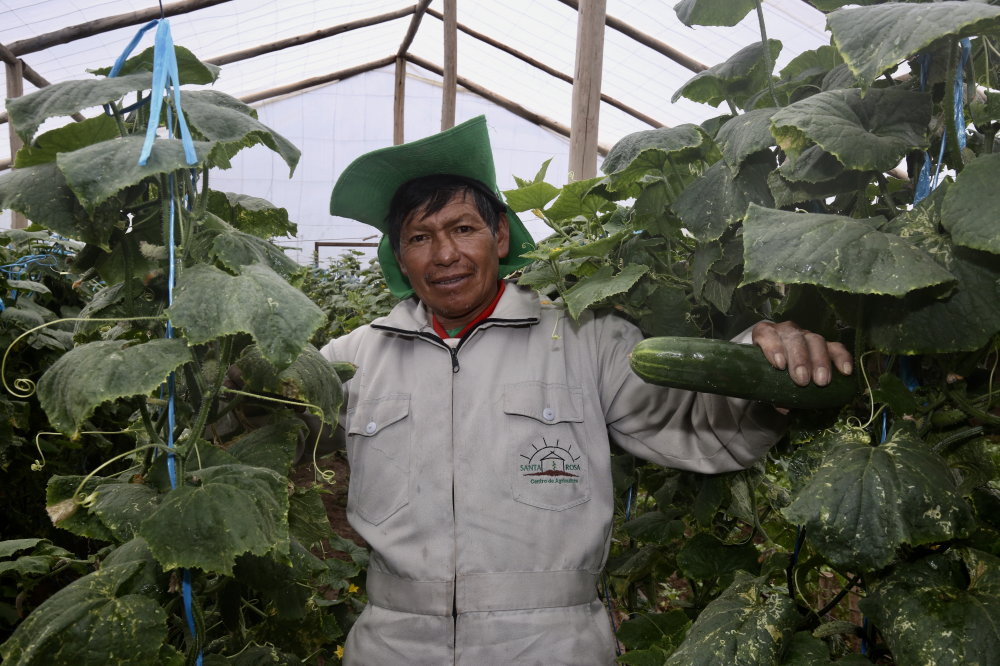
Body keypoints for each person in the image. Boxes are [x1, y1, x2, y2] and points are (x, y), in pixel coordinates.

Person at [320, 116, 852, 665]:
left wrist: (764, 368)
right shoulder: (352, 359)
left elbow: (697, 424)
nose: (444, 254)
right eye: (419, 237)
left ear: (499, 235)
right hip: (393, 646)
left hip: (551, 645)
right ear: (399, 255)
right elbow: (278, 422)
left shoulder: (585, 337)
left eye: (462, 228)